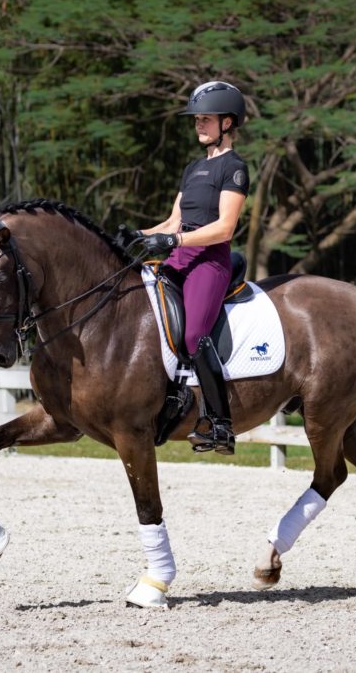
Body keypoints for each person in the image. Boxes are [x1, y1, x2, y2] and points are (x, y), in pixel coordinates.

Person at [136, 81, 250, 455]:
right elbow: (172, 222)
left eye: (205, 119)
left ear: (227, 122)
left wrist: (176, 241)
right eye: (197, 119)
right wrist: (135, 235)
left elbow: (224, 227)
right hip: (179, 256)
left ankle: (221, 423)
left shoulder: (234, 169)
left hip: (209, 261)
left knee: (193, 336)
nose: (198, 125)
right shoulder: (193, 169)